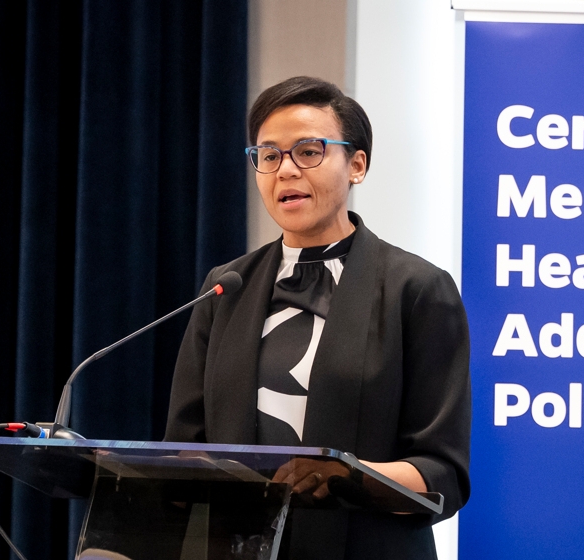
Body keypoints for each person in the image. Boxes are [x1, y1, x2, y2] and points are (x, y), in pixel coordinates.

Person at [164, 76, 471, 560]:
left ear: (357, 165)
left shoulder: (417, 289)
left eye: (308, 151)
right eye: (269, 155)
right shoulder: (226, 287)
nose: (285, 170)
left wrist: (346, 476)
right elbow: (183, 448)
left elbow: (443, 475)